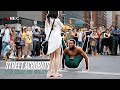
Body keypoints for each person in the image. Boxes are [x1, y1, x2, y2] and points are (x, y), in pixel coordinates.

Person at [45, 11, 64, 78]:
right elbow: (63, 27)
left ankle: (49, 72)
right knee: (57, 56)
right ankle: (55, 73)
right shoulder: (57, 20)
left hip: (50, 38)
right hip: (57, 38)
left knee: (51, 57)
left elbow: (46, 30)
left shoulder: (47, 20)